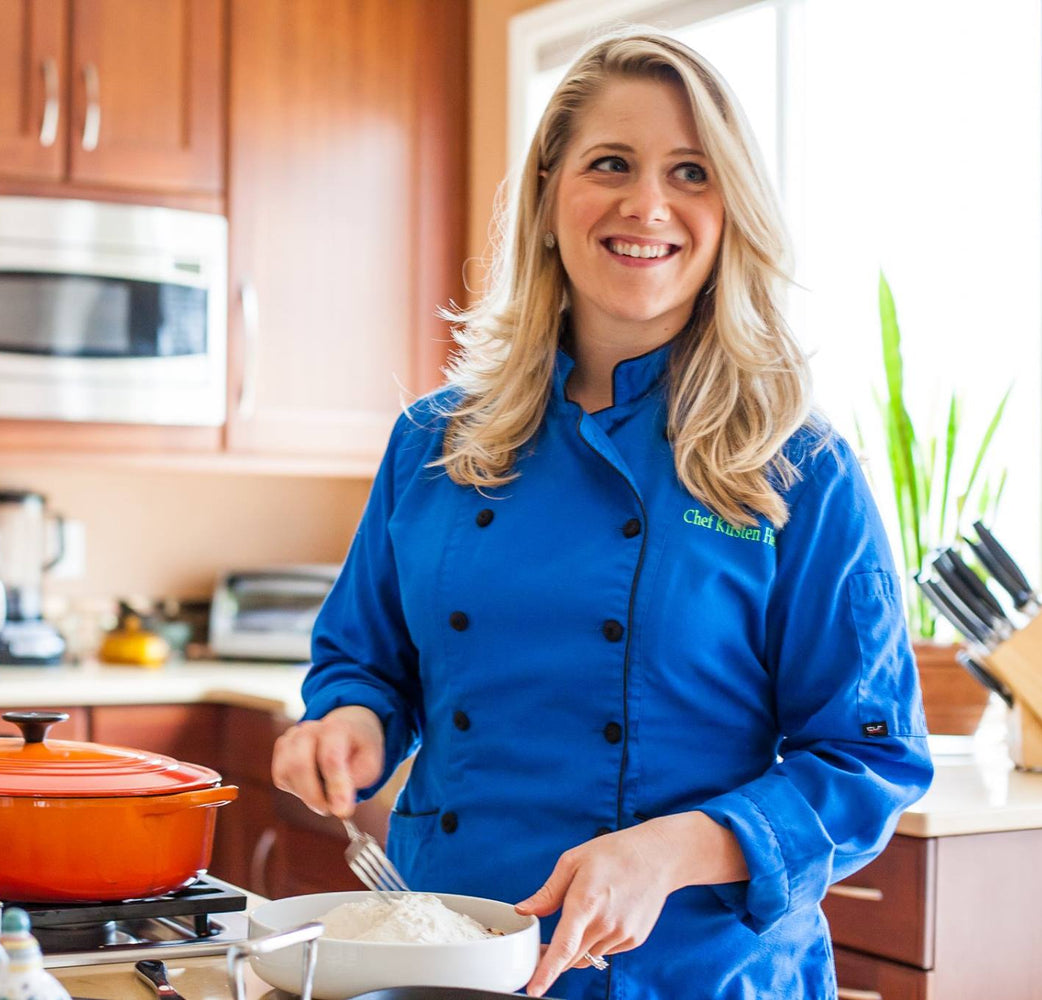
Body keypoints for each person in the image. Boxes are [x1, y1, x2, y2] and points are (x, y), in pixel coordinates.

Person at [270, 28, 933, 1000]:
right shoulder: (434, 442)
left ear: (731, 210)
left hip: (695, 971)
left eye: (690, 172)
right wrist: (347, 724)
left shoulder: (797, 464)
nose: (647, 204)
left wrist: (671, 850)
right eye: (610, 164)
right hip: (451, 953)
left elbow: (869, 759)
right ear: (547, 195)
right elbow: (365, 662)